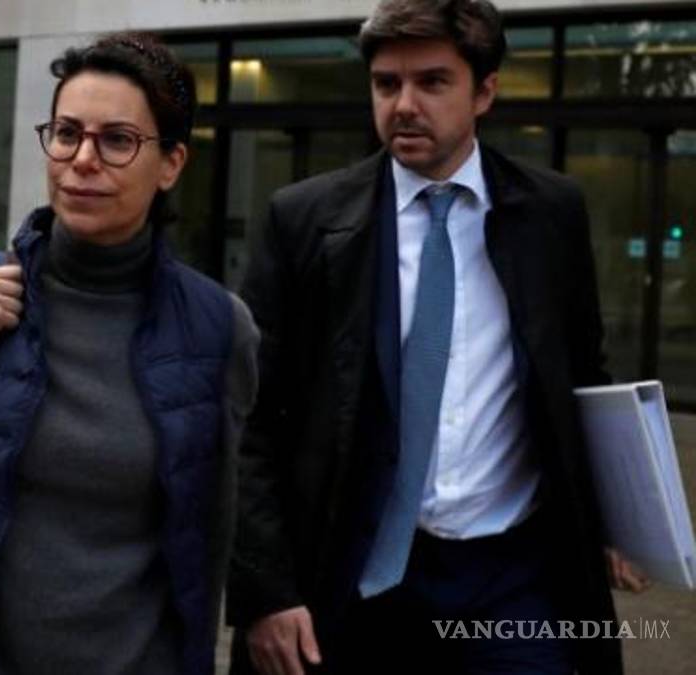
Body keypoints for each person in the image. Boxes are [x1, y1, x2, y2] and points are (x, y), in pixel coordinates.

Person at [227, 1, 646, 674]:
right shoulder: (304, 220)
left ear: (484, 92)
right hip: (355, 577)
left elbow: (580, 376)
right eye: (386, 84)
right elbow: (247, 415)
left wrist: (620, 519)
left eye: (432, 82)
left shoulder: (551, 214)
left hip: (513, 577)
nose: (404, 105)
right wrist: (265, 591)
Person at [0, 32, 258, 675]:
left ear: (172, 164)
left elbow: (213, 534)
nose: (82, 160)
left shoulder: (218, 328)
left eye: (117, 140)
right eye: (67, 133)